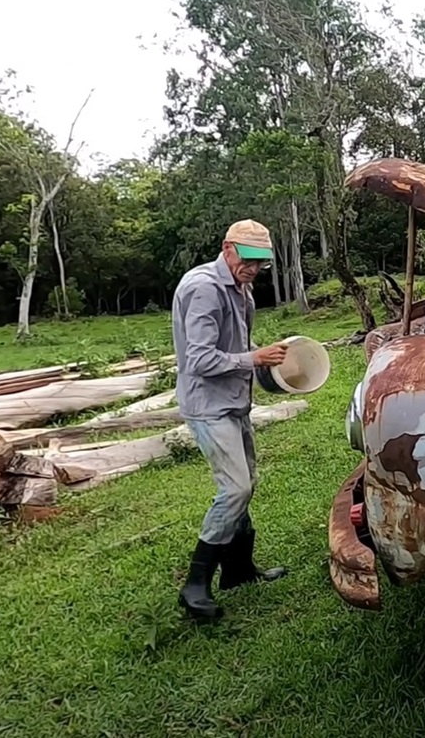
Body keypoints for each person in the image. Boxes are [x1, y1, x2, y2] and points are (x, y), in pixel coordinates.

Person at [171, 219, 292, 620]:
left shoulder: (242, 290)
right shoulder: (203, 288)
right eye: (249, 258)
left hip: (234, 399)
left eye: (262, 262)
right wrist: (253, 358)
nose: (254, 268)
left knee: (247, 482)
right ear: (227, 248)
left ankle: (238, 570)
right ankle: (195, 587)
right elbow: (199, 359)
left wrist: (268, 358)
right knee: (235, 489)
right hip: (208, 404)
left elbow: (238, 345)